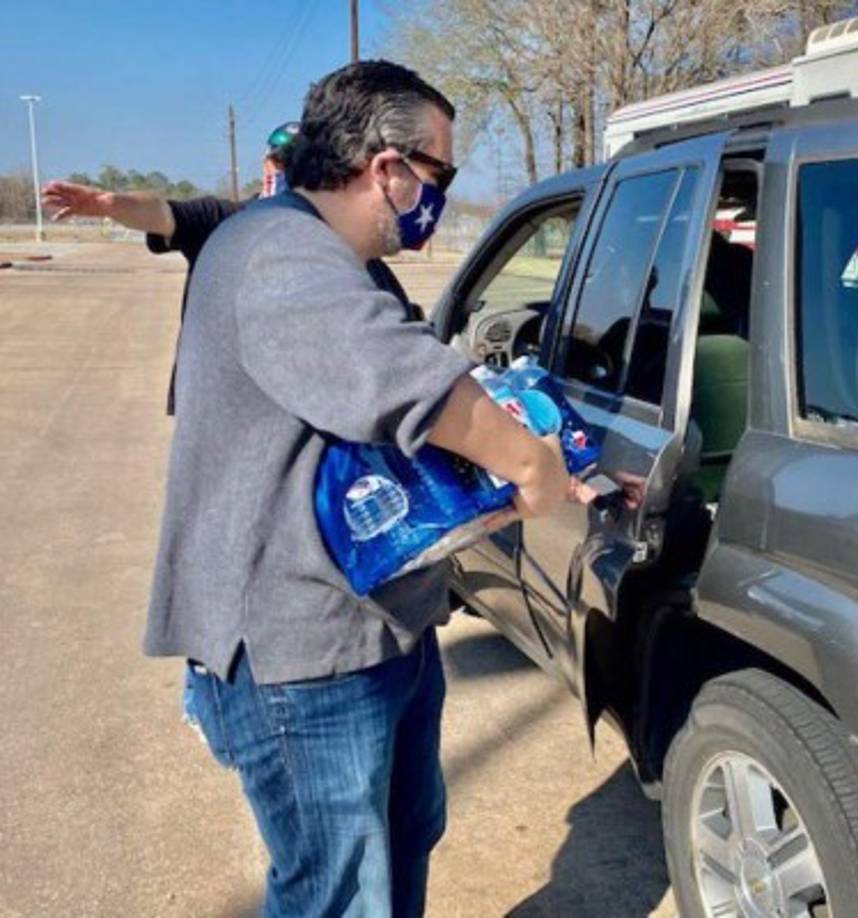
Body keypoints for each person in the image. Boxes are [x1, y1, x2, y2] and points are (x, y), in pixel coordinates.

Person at [142, 60, 573, 916]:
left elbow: (410, 411)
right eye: (438, 173)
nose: (438, 194)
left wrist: (566, 459)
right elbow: (401, 378)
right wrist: (530, 463)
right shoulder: (279, 252)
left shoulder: (329, 255)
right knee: (340, 891)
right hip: (301, 654)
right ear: (387, 166)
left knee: (402, 838)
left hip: (373, 628)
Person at [41, 123, 417, 415]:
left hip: (304, 411)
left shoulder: (339, 239)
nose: (289, 172)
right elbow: (159, 212)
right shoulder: (225, 220)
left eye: (301, 163)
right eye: (282, 162)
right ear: (266, 165)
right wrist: (109, 203)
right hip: (219, 409)